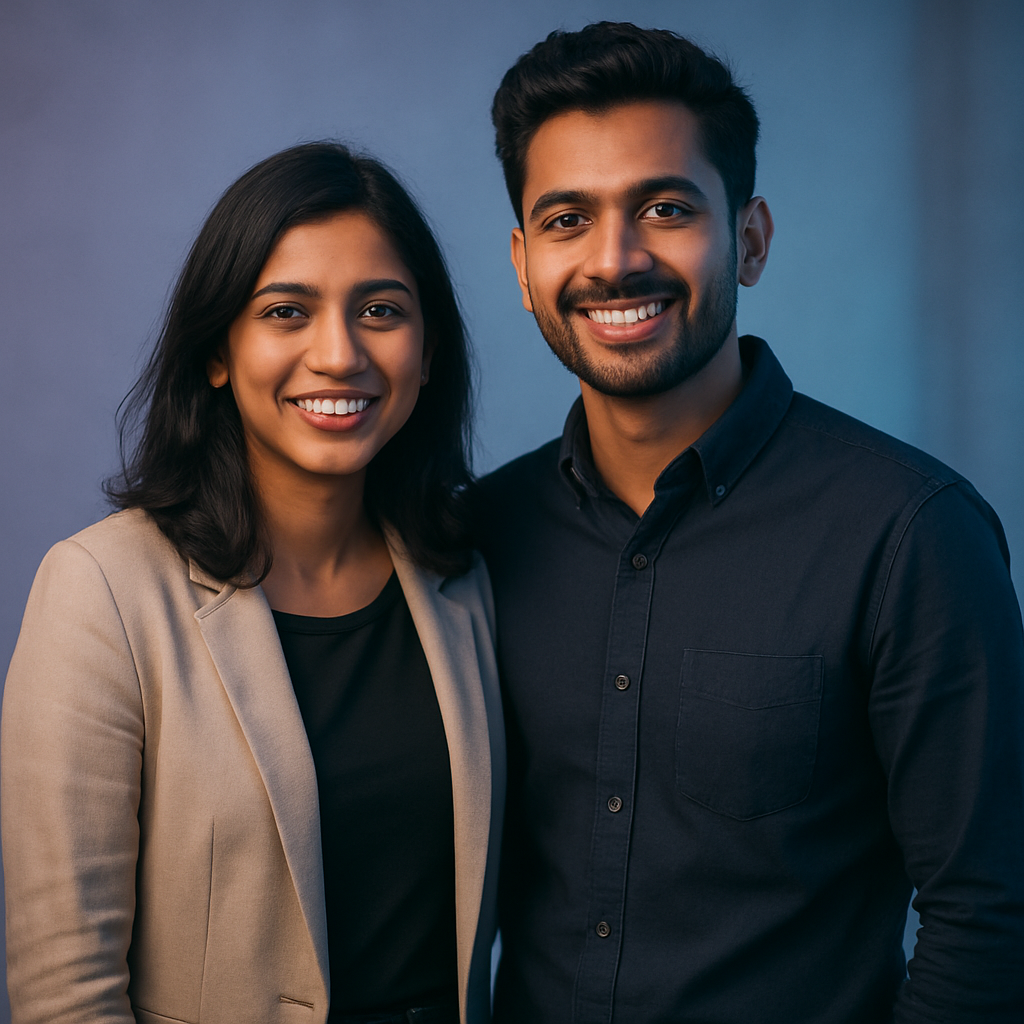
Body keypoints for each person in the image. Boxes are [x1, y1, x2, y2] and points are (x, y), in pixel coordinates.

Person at [473, 21, 1024, 1024]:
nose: (614, 259)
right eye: (566, 219)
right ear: (522, 264)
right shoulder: (477, 536)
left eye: (665, 208)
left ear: (752, 238)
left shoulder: (910, 534)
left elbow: (989, 912)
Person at [2, 142, 503, 1024]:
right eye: (286, 312)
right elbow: (65, 992)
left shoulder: (467, 577)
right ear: (217, 352)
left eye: (381, 310)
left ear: (428, 353)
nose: (338, 354)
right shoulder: (102, 592)